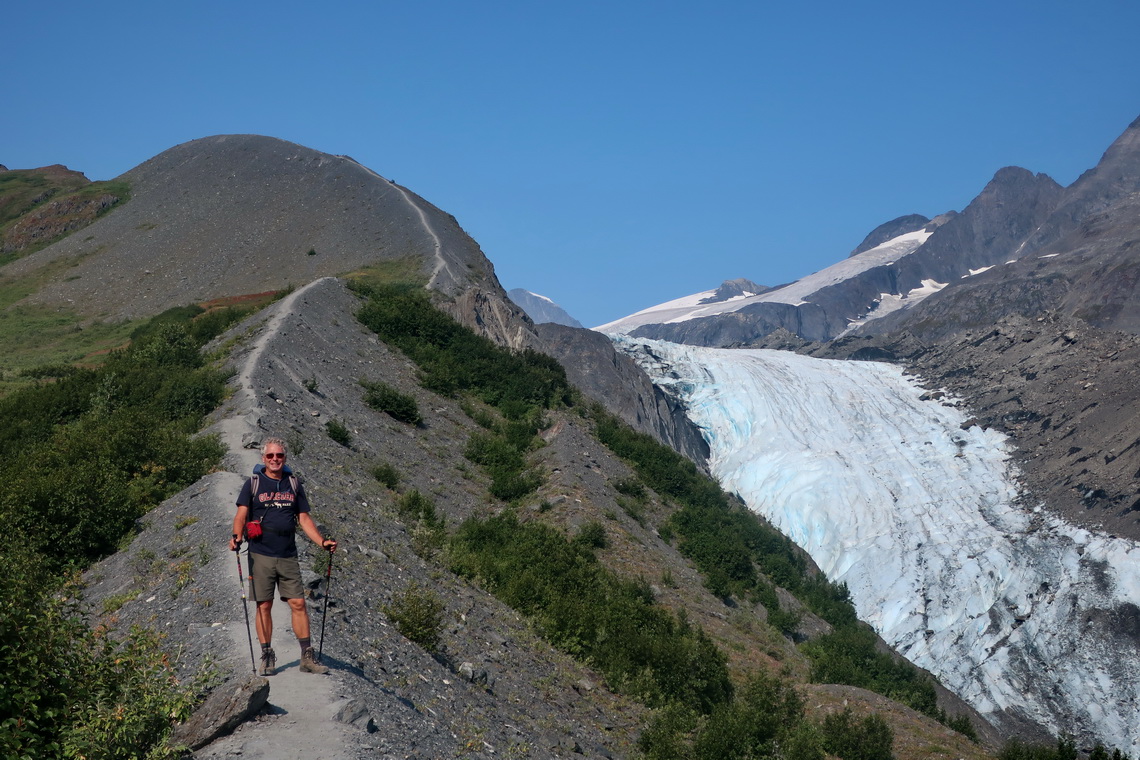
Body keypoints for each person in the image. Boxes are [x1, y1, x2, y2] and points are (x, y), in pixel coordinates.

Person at [229, 437, 337, 676]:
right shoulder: (253, 484)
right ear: (263, 459)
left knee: (298, 603)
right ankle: (267, 654)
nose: (275, 460)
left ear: (285, 458)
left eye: (279, 456)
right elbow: (241, 514)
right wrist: (236, 536)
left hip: (288, 552)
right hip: (260, 552)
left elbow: (304, 519)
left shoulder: (294, 484)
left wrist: (322, 542)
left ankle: (307, 656)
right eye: (270, 456)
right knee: (263, 605)